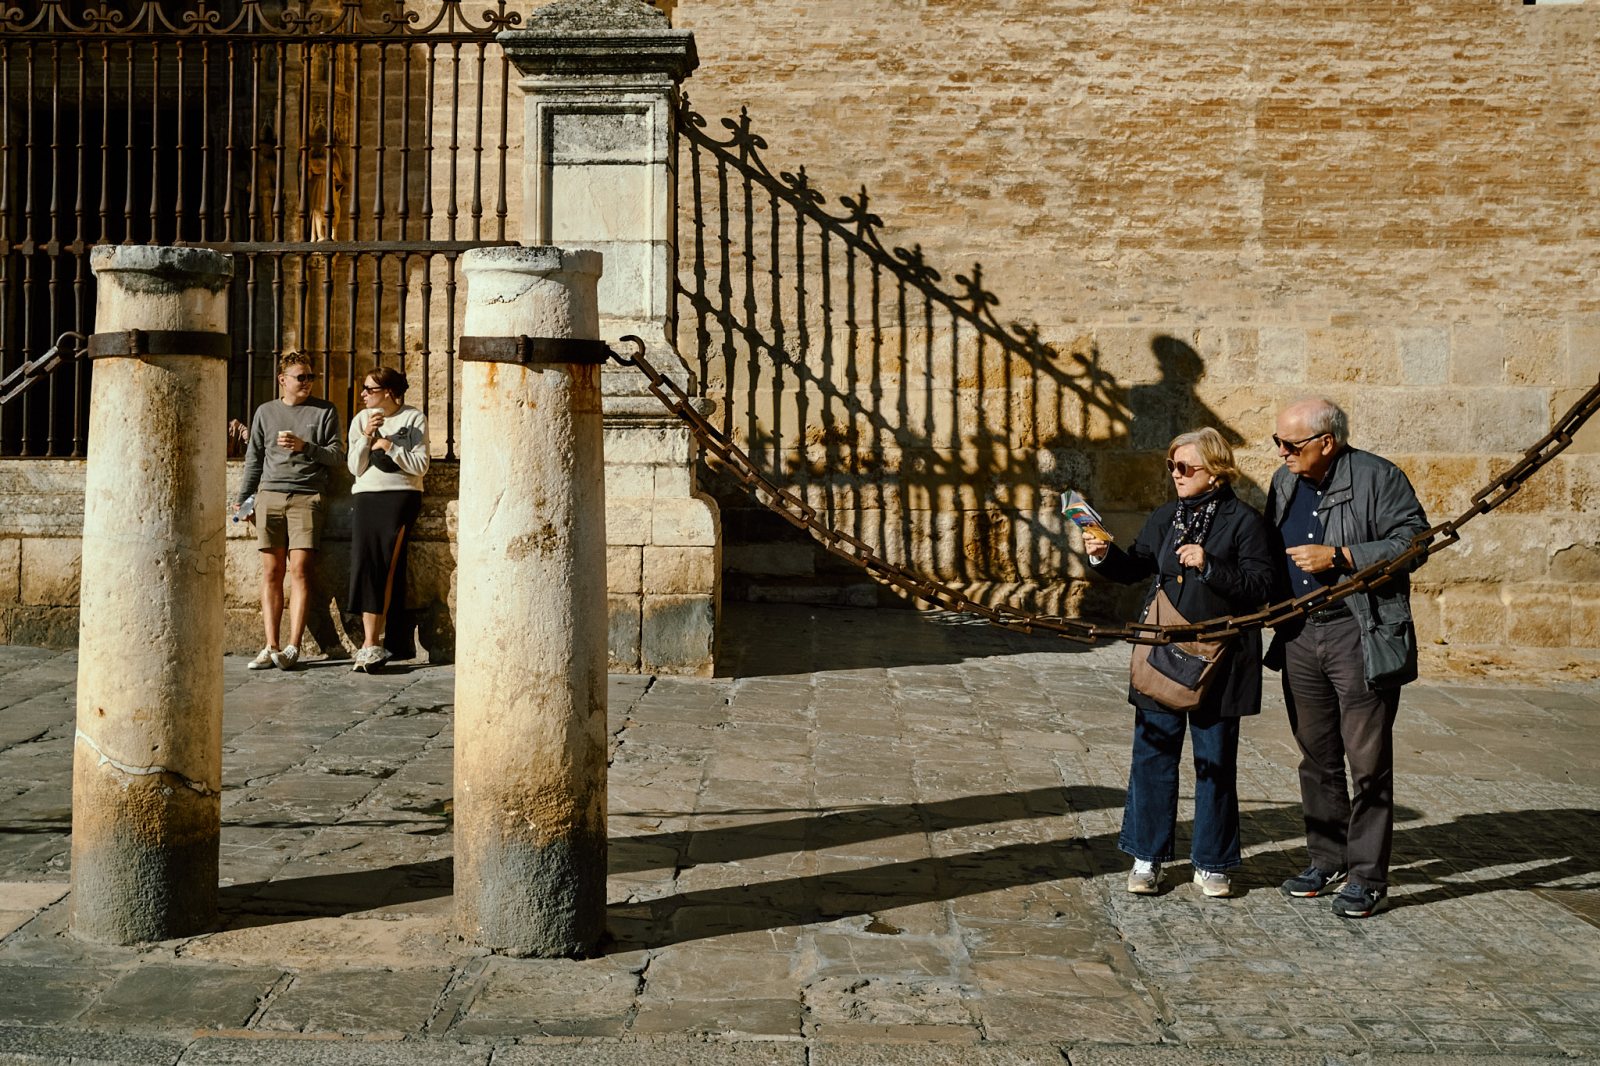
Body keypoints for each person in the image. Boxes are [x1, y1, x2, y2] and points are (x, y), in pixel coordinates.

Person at [1084, 428, 1277, 899]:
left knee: (1214, 761)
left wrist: (1210, 565)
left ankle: (1212, 862)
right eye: (1171, 466)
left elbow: (1262, 587)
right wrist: (1105, 554)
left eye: (1185, 467)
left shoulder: (1244, 522)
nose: (1176, 474)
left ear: (1215, 471)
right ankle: (1146, 856)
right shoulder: (1167, 517)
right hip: (1163, 652)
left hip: (1220, 660)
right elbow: (1138, 565)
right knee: (1152, 756)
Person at [1264, 396, 1428, 919]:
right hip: (1300, 636)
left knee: (1368, 762)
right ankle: (1326, 858)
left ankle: (1367, 877)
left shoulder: (1380, 478)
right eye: (1279, 443)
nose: (1283, 453)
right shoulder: (1284, 482)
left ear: (1326, 443)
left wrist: (1343, 557)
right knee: (1316, 757)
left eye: (1291, 445)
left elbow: (1415, 542)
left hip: (1359, 632)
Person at [237, 352, 343, 669]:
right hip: (269, 495)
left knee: (300, 569)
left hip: (307, 496)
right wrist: (244, 499)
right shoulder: (266, 412)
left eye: (311, 377)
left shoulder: (325, 411)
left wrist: (305, 447)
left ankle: (293, 646)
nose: (308, 382)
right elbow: (254, 458)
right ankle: (271, 645)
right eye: (301, 377)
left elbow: (337, 456)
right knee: (271, 572)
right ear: (283, 380)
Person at [346, 366, 429, 672]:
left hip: (400, 496)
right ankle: (370, 644)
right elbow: (355, 467)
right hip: (367, 496)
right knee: (366, 565)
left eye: (370, 389)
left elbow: (420, 465)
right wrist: (367, 437)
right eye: (364, 389)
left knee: (389, 565)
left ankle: (377, 641)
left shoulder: (413, 418)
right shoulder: (360, 420)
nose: (364, 394)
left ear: (390, 392)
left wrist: (391, 446)